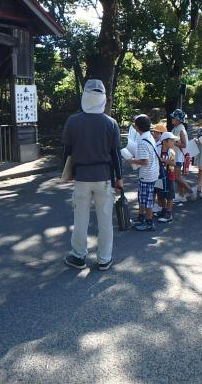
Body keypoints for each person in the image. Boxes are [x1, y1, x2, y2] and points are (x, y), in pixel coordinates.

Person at [62, 79, 123, 271]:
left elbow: (67, 151)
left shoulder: (73, 121)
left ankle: (79, 257)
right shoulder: (111, 123)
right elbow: (115, 154)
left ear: (84, 97)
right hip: (104, 177)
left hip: (81, 177)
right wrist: (119, 177)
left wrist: (68, 172)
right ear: (103, 98)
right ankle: (104, 259)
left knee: (80, 219)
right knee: (105, 221)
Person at [128, 114, 160, 231]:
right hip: (151, 172)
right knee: (143, 197)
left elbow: (145, 161)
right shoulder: (149, 136)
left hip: (147, 174)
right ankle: (142, 218)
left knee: (147, 200)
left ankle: (149, 222)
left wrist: (131, 160)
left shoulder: (142, 141)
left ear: (137, 127)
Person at [170, 109, 195, 202]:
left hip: (178, 156)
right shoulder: (176, 128)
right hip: (175, 155)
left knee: (177, 177)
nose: (172, 118)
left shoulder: (181, 129)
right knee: (177, 177)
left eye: (174, 117)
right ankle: (181, 195)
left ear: (178, 119)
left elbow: (184, 144)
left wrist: (173, 142)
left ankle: (191, 191)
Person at [155, 132, 179, 223]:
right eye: (171, 140)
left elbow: (173, 163)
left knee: (170, 195)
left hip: (169, 175)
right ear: (164, 141)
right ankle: (164, 210)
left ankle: (169, 213)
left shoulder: (171, 151)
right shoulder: (157, 149)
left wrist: (164, 160)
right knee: (160, 194)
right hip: (158, 175)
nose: (173, 142)